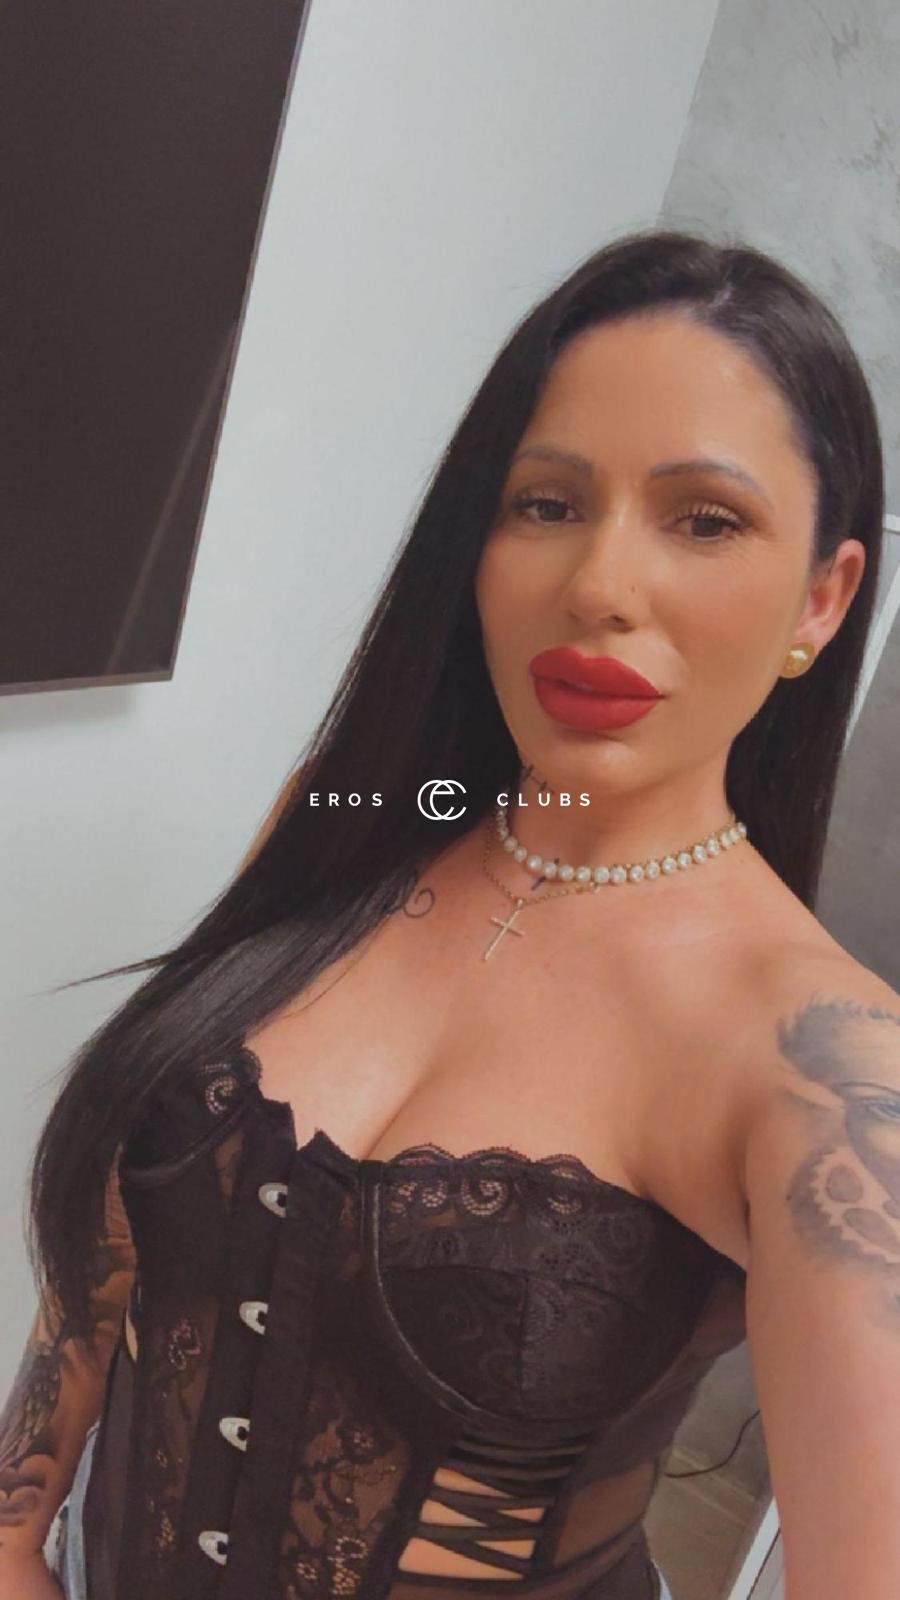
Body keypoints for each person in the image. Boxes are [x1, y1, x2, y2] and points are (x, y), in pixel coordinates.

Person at [2, 227, 897, 1600]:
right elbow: (120, 1226)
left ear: (823, 598)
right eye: (546, 503)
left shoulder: (824, 1071)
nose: (599, 586)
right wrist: (14, 1530)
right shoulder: (353, 823)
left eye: (705, 520)